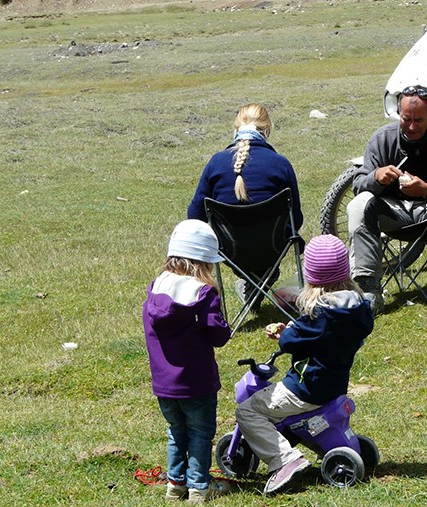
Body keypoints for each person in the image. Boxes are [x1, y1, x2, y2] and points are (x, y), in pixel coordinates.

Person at [235, 234, 374, 495]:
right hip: (334, 385)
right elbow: (319, 338)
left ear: (311, 277)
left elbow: (291, 341)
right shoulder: (357, 309)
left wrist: (283, 332)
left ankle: (283, 460)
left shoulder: (318, 313)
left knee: (248, 411)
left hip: (305, 388)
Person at [347, 84, 427, 326]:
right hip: (393, 213)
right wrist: (375, 177)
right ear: (399, 113)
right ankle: (368, 290)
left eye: (419, 120)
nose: (412, 126)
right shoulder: (382, 139)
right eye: (406, 119)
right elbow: (358, 183)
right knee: (358, 205)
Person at [142, 219, 232, 503]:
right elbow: (218, 336)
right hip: (197, 382)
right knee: (200, 432)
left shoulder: (157, 287)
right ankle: (199, 487)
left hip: (164, 384)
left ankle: (175, 484)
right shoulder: (203, 293)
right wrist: (224, 326)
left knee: (176, 431)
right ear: (204, 261)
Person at [187, 103, 303, 308]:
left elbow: (195, 215)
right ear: (267, 130)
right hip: (272, 248)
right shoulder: (280, 163)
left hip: (229, 251)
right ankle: (261, 279)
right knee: (275, 238)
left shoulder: (216, 162)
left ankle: (253, 283)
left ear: (235, 129)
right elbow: (297, 218)